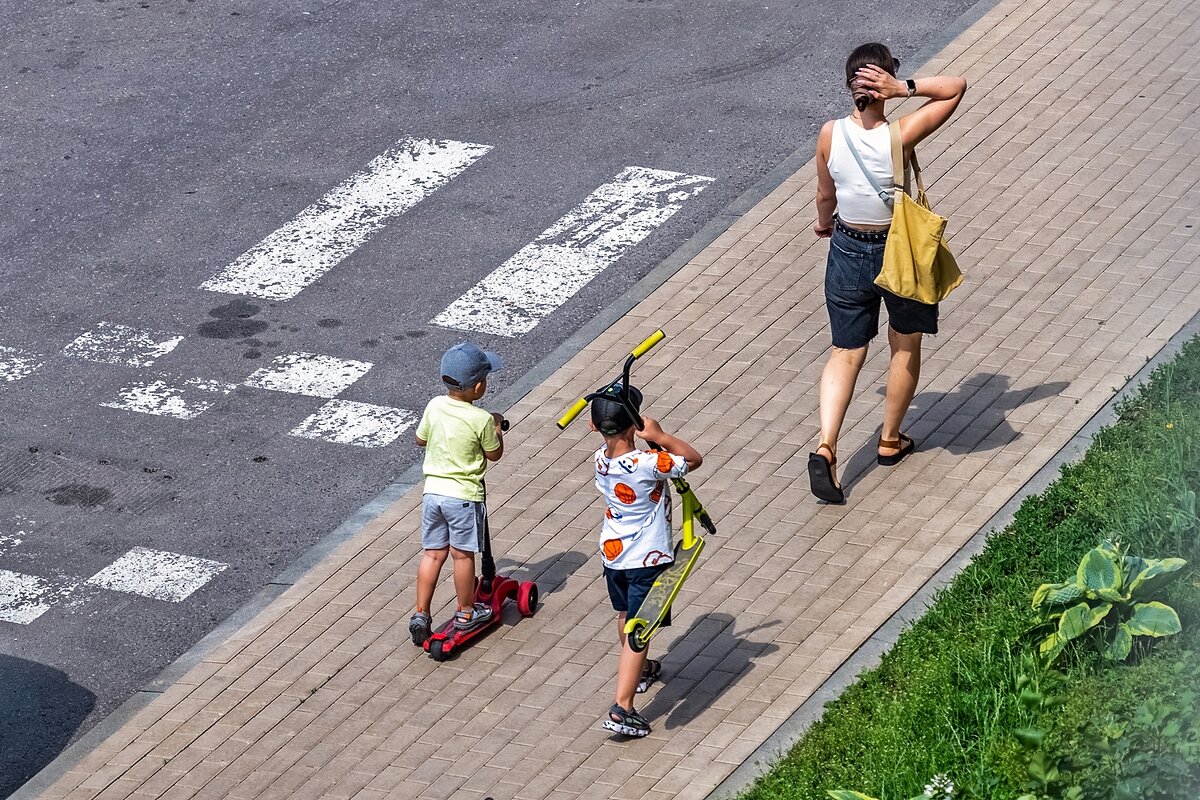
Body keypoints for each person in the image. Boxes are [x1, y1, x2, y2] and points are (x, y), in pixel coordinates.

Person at [809, 42, 967, 503]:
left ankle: (826, 446)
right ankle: (890, 440)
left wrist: (824, 225)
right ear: (884, 86)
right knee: (904, 346)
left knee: (845, 352)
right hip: (899, 251)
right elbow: (956, 88)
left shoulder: (829, 134)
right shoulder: (900, 134)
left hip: (846, 246)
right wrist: (907, 89)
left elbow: (824, 197)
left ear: (849, 86)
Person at [589, 386, 703, 737]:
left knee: (624, 616)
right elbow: (693, 459)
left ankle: (639, 672)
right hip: (646, 559)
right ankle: (623, 707)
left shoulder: (600, 459)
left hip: (613, 554)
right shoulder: (648, 463)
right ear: (634, 425)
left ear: (594, 428)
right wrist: (660, 436)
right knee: (640, 629)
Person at [409, 342, 506, 645]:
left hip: (433, 494)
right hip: (463, 496)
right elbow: (494, 454)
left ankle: (421, 613)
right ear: (478, 386)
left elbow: (420, 439)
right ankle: (466, 611)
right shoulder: (480, 420)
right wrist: (497, 430)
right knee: (462, 555)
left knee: (433, 553)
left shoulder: (435, 406)